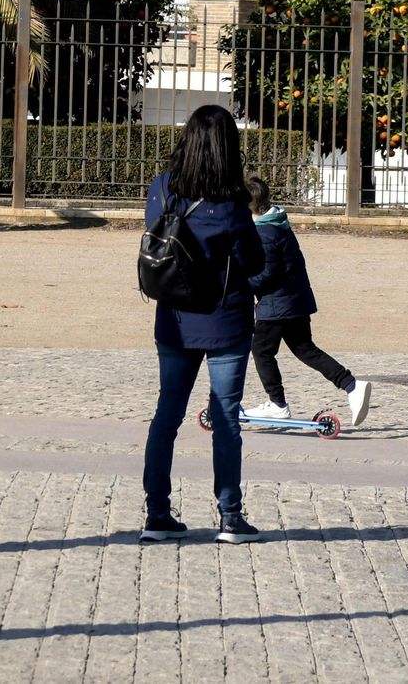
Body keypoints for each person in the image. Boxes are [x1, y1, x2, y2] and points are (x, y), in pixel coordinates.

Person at [141, 104, 266, 545]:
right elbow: (254, 261)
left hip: (174, 319)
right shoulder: (232, 203)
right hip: (225, 320)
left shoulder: (161, 188)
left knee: (166, 416)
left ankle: (157, 513)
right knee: (226, 418)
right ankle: (230, 516)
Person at [244, 175, 371, 427]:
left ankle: (277, 404)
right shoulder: (278, 223)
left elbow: (265, 275)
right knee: (305, 349)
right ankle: (351, 385)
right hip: (294, 301)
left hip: (277, 304)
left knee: (261, 350)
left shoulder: (264, 232)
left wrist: (238, 283)